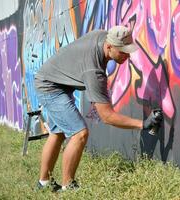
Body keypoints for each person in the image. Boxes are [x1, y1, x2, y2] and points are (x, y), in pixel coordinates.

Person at [34, 25, 163, 192]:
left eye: (128, 50)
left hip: (55, 78)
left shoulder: (104, 36)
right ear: (109, 47)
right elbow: (107, 116)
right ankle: (68, 187)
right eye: (122, 51)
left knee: (58, 133)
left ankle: (43, 184)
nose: (127, 55)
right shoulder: (94, 72)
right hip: (50, 86)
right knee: (79, 133)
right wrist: (143, 124)